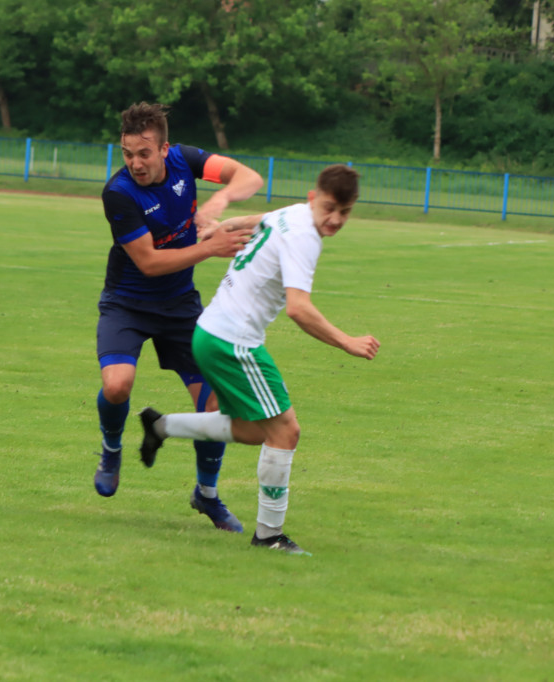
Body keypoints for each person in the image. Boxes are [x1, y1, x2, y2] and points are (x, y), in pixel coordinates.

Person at [138, 164, 380, 554]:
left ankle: (162, 426)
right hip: (233, 342)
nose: (335, 220)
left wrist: (225, 226)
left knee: (254, 431)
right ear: (315, 198)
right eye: (331, 208)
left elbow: (256, 218)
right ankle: (269, 535)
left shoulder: (292, 214)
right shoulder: (305, 236)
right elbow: (298, 309)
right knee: (286, 431)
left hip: (211, 333)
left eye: (346, 212)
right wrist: (347, 341)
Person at [93, 101, 264, 532]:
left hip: (181, 307)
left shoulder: (186, 161)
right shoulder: (119, 193)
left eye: (144, 153)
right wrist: (211, 245)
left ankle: (206, 495)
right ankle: (112, 447)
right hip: (127, 303)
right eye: (128, 154)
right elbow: (149, 263)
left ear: (165, 149)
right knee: (117, 386)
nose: (135, 163)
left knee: (212, 406)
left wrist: (219, 199)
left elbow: (250, 176)